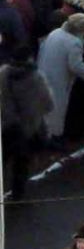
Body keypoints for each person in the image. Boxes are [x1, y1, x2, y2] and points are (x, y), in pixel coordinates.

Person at [38, 10, 84, 147]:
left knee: (45, 109)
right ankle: (55, 139)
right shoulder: (74, 42)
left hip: (45, 73)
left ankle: (44, 137)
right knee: (57, 110)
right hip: (59, 79)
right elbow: (76, 66)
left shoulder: (55, 32)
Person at [2, 46, 52, 200]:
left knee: (3, 157)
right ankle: (18, 195)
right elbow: (49, 104)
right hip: (27, 129)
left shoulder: (3, 73)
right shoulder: (36, 78)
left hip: (5, 125)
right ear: (29, 58)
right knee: (21, 163)